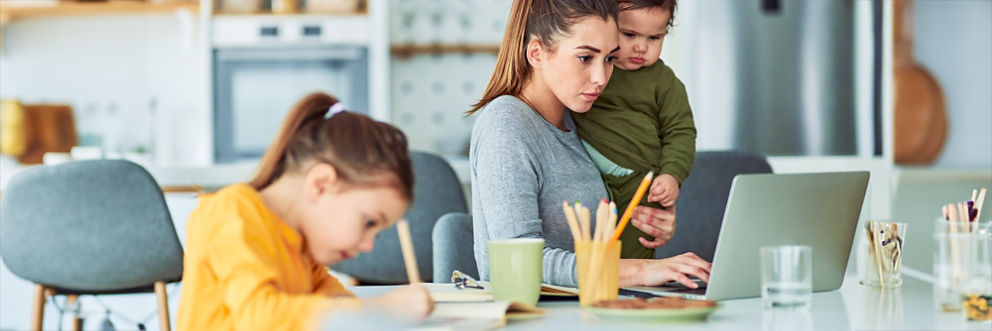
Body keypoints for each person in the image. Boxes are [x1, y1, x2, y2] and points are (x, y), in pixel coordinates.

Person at [468, 0, 710, 289]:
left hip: (595, 308)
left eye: (609, 59)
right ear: (536, 53)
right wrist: (641, 271)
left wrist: (652, 215)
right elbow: (515, 262)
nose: (601, 79)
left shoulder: (582, 119)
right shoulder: (507, 125)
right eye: (585, 58)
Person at [177, 92, 434, 330]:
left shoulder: (301, 248)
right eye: (369, 222)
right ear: (321, 184)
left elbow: (337, 305)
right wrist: (379, 308)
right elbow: (259, 318)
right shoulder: (231, 213)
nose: (368, 245)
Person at [572, 0, 696, 259]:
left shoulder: (665, 83)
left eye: (655, 37)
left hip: (639, 183)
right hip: (589, 173)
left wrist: (672, 175)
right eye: (629, 35)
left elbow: (681, 132)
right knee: (587, 251)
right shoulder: (591, 70)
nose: (641, 46)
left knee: (633, 252)